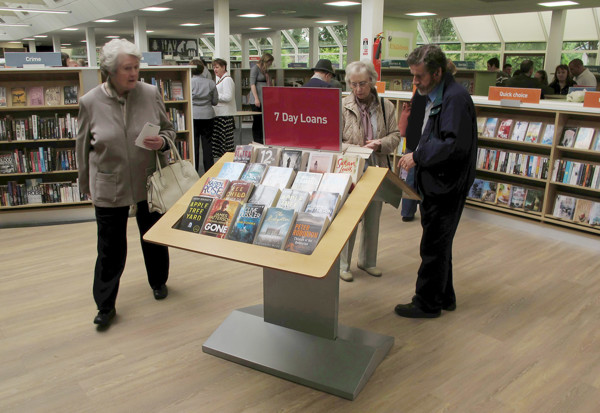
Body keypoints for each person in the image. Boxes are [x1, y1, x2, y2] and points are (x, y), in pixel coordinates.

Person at [75, 39, 174, 328]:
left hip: (149, 181)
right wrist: (85, 184)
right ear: (109, 71)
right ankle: (105, 305)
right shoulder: (90, 102)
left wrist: (163, 141)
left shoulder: (150, 93)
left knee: (153, 237)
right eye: (127, 69)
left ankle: (159, 281)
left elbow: (169, 130)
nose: (134, 74)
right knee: (110, 249)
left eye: (136, 67)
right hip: (109, 184)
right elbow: (82, 148)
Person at [395, 44, 477, 318]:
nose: (415, 82)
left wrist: (418, 155)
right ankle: (444, 297)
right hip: (438, 181)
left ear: (438, 72)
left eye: (419, 76)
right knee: (439, 243)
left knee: (432, 245)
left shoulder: (455, 99)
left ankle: (427, 303)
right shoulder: (439, 94)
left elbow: (454, 146)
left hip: (446, 184)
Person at [339, 59, 400, 282]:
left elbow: (395, 136)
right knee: (350, 218)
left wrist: (380, 143)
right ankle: (343, 265)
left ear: (372, 81)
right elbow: (334, 142)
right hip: (351, 169)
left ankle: (367, 261)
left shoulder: (386, 106)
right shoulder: (342, 106)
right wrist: (354, 148)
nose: (358, 89)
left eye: (362, 84)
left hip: (376, 167)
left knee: (373, 217)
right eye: (353, 84)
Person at [190, 58, 218, 173]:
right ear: (203, 70)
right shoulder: (211, 83)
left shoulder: (189, 82)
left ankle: (194, 170)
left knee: (194, 145)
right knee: (207, 144)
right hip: (208, 115)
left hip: (193, 115)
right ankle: (209, 171)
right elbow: (215, 101)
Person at [212, 58, 237, 158]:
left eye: (217, 67)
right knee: (220, 145)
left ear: (224, 67)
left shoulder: (227, 80)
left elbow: (228, 97)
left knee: (225, 145)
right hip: (220, 115)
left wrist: (214, 97)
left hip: (225, 116)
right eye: (214, 67)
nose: (215, 69)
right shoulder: (220, 80)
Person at [249, 53, 274, 144]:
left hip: (264, 99)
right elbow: (252, 84)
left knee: (263, 121)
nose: (270, 65)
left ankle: (262, 140)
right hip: (256, 99)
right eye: (269, 63)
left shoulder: (264, 70)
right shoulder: (255, 69)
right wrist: (256, 98)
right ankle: (257, 141)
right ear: (266, 61)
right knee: (257, 121)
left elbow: (269, 85)